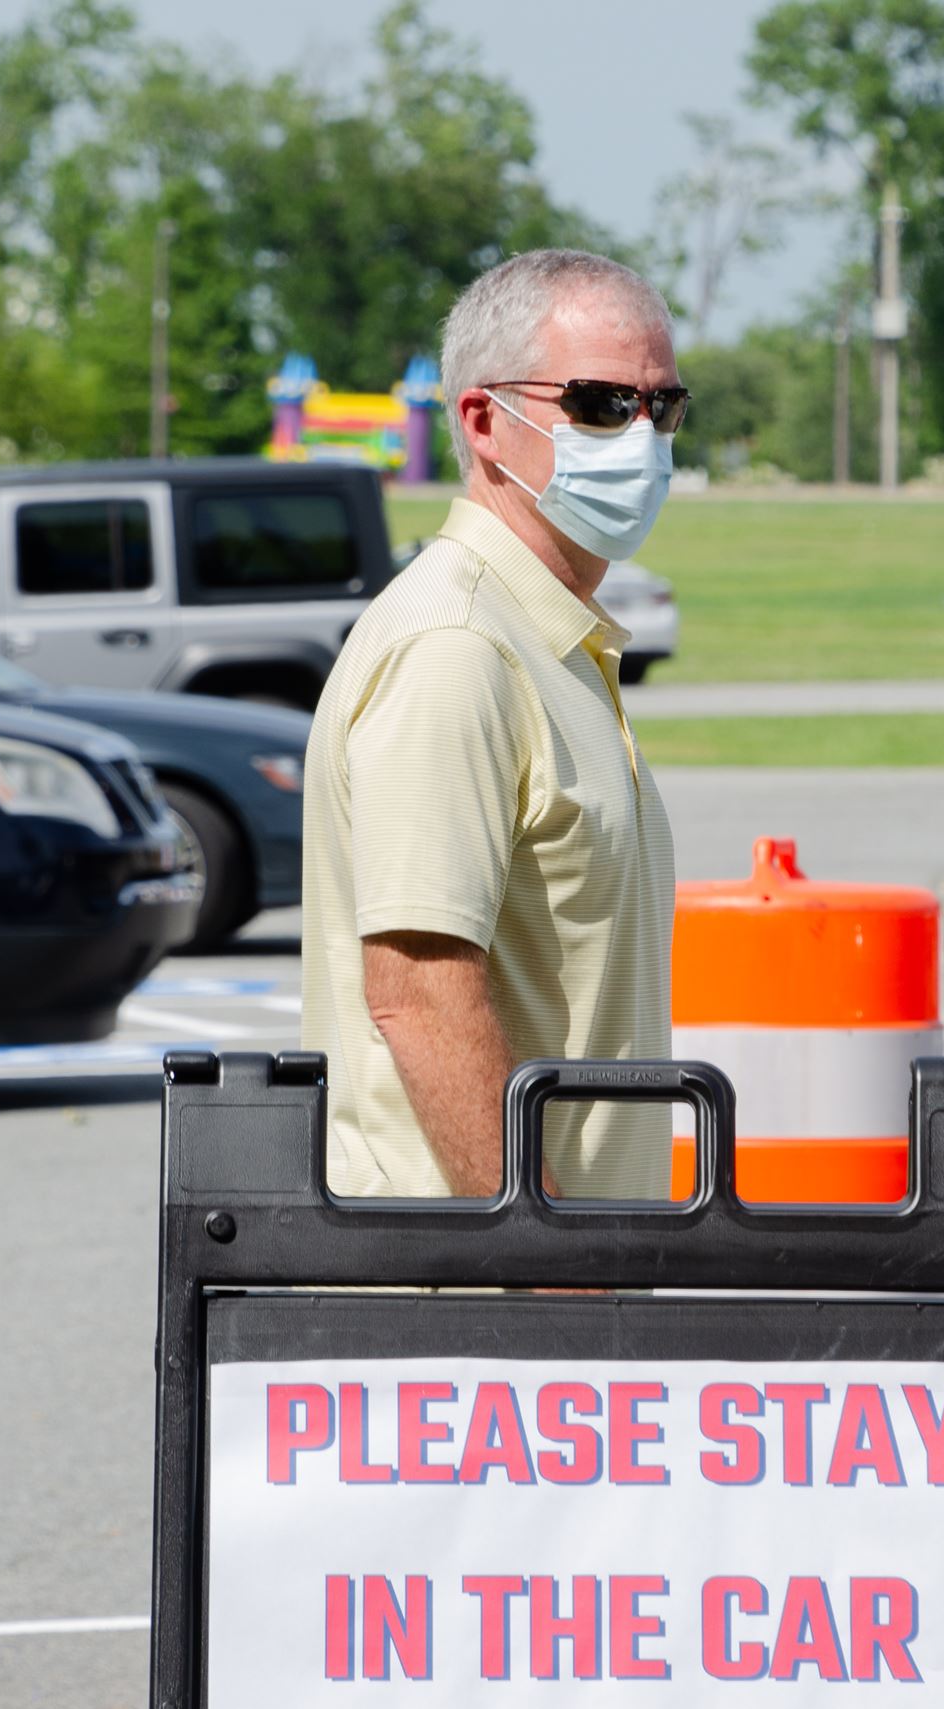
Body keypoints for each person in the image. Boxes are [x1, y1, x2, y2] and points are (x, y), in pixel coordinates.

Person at [296, 249, 685, 1199]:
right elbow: (419, 998)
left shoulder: (545, 635)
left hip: (581, 1253)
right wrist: (543, 1248)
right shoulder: (457, 646)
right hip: (484, 1264)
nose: (641, 437)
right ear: (484, 422)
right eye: (602, 404)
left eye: (663, 406)